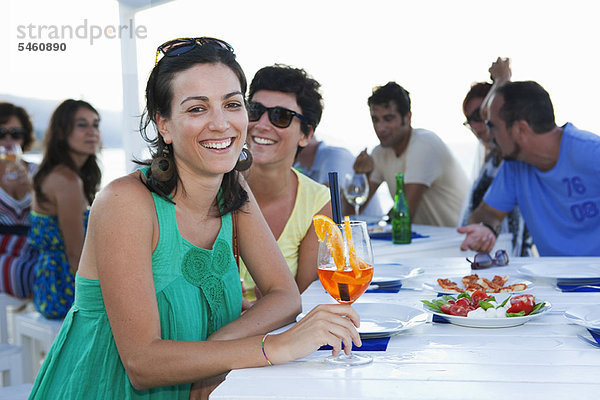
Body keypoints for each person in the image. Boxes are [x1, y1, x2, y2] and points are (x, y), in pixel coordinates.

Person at [29, 37, 361, 399]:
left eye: (232, 105)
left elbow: (285, 296)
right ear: (164, 126)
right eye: (197, 109)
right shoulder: (124, 203)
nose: (221, 124)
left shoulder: (233, 191)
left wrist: (215, 349)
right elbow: (142, 364)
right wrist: (278, 345)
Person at [458, 79, 600, 256]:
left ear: (520, 129)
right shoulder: (514, 166)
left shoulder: (593, 154)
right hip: (554, 281)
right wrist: (486, 228)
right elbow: (487, 212)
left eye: (493, 126)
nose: (490, 135)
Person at [239, 64, 332, 303]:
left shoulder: (317, 202)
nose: (262, 124)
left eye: (280, 116)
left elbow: (303, 300)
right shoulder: (211, 186)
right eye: (255, 110)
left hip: (278, 333)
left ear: (306, 134)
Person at [352, 82, 469, 227]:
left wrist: (382, 223)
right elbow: (350, 212)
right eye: (375, 120)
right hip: (427, 241)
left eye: (388, 119)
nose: (380, 128)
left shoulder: (424, 143)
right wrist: (360, 175)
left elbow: (404, 214)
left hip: (459, 241)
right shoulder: (380, 152)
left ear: (407, 117)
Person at [28, 99, 102, 319]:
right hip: (63, 289)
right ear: (61, 132)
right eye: (82, 125)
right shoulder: (67, 181)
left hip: (46, 283)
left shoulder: (59, 173)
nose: (92, 132)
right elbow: (75, 254)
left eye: (95, 124)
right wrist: (96, 300)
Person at [459, 59, 533, 256]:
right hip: (491, 258)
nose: (476, 125)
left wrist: (502, 79)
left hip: (513, 260)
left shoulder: (515, 158)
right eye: (470, 120)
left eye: (480, 116)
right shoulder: (492, 160)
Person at [294, 135, 385, 218]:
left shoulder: (335, 155)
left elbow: (326, 200)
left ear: (308, 135)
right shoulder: (298, 166)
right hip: (342, 230)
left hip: (372, 229)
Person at [0, 102, 38, 298]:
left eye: (15, 133)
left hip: (33, 247)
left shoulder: (37, 172)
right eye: (1, 133)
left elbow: (49, 214)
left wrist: (31, 187)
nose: (8, 139)